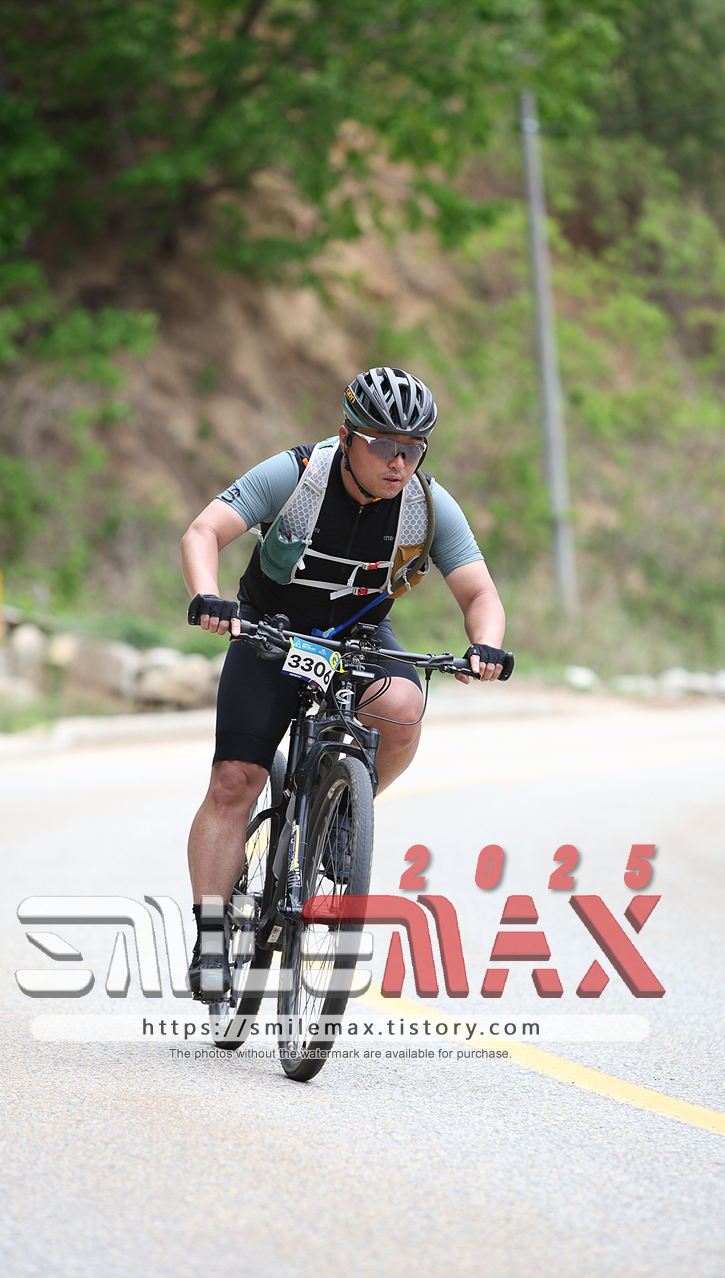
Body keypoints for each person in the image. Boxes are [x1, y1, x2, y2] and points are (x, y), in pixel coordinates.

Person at [179, 366, 508, 999]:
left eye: (412, 448)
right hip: (270, 631)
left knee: (405, 706)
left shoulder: (427, 504)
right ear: (348, 436)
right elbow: (203, 532)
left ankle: (338, 811)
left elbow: (479, 592)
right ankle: (212, 937)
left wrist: (485, 644)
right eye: (383, 445)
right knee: (235, 781)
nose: (398, 462)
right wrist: (208, 597)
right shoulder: (296, 474)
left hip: (356, 637)